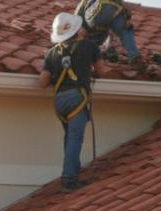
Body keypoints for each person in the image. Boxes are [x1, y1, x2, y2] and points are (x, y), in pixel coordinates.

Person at [39, 13, 105, 192]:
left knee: (70, 138)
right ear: (77, 30)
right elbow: (102, 71)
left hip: (60, 100)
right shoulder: (90, 46)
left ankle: (73, 173)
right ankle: (69, 179)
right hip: (78, 97)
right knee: (75, 139)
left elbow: (43, 82)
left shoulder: (51, 53)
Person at [74, 0, 141, 65]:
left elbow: (76, 16)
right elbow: (125, 7)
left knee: (91, 40)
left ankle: (86, 55)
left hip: (98, 11)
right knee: (125, 30)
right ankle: (134, 54)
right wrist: (128, 17)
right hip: (115, 11)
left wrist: (79, 27)